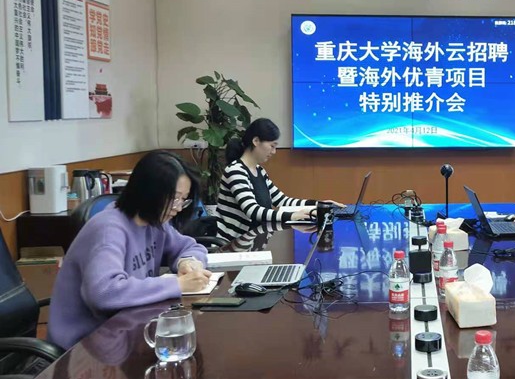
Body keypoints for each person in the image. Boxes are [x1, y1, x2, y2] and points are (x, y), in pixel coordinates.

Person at [48, 151, 212, 350]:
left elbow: (190, 246)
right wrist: (177, 284)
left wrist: (188, 261)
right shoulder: (108, 229)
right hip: (84, 347)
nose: (178, 208)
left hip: (125, 330)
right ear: (149, 191)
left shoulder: (154, 222)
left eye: (183, 200)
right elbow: (104, 292)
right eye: (174, 198)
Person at [216, 118, 342, 250]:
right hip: (234, 247)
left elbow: (282, 201)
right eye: (272, 146)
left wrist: (319, 205)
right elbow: (253, 211)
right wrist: (293, 216)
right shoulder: (235, 170)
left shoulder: (259, 171)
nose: (274, 152)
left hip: (254, 242)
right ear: (256, 141)